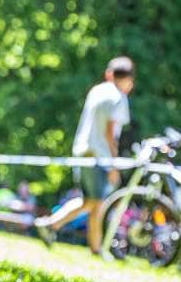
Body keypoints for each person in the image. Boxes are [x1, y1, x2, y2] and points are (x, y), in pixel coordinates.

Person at [35, 56, 135, 254]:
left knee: (91, 202)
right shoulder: (118, 97)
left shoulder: (97, 90)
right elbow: (109, 133)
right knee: (95, 203)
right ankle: (54, 226)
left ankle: (62, 231)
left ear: (109, 74)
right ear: (128, 79)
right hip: (99, 155)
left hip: (82, 150)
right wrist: (114, 164)